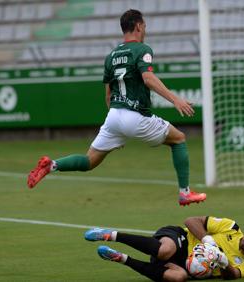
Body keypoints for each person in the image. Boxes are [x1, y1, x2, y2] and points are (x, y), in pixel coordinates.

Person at [26, 9, 206, 206]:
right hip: (135, 116)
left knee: (89, 161)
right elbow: (148, 78)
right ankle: (185, 193)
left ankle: (51, 165)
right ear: (138, 26)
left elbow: (108, 95)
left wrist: (118, 129)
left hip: (114, 116)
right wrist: (175, 99)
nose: (145, 29)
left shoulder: (111, 56)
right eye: (144, 26)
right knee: (178, 139)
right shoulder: (142, 49)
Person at [84, 216, 244, 281]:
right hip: (178, 239)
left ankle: (121, 258)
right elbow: (190, 220)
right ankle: (112, 235)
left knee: (179, 278)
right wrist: (207, 239)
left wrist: (223, 261)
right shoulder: (230, 227)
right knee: (165, 251)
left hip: (183, 266)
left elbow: (231, 276)